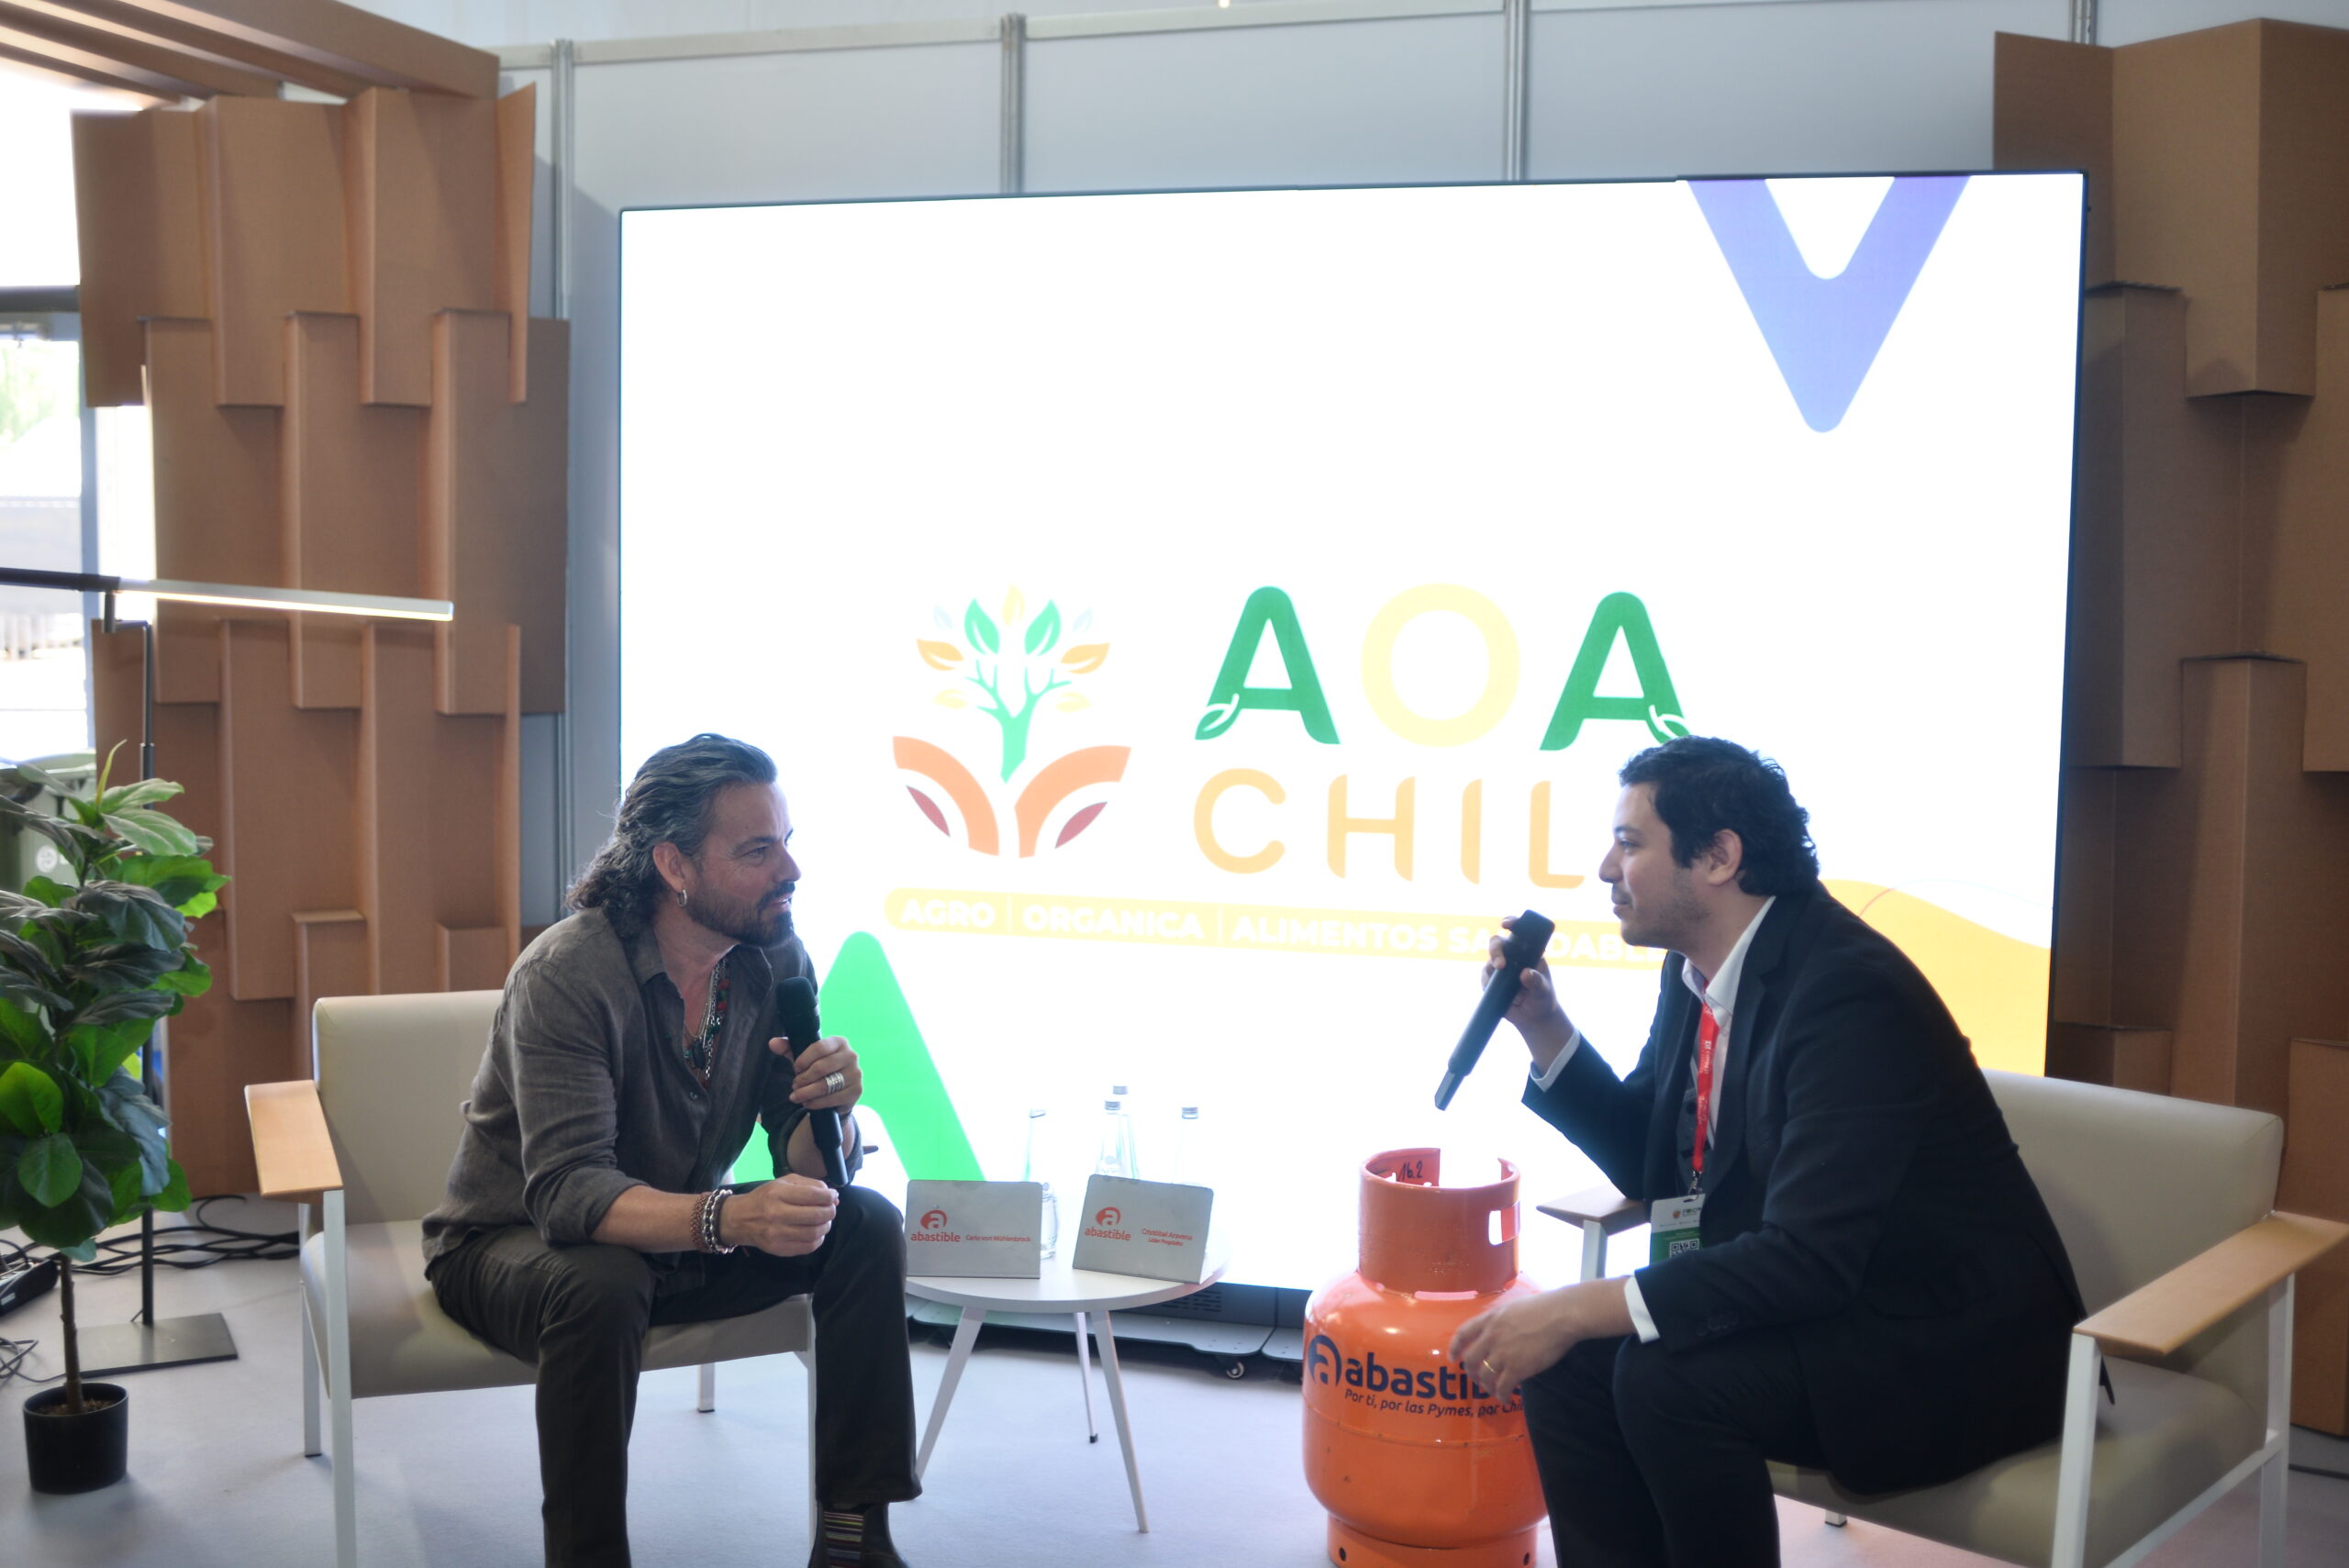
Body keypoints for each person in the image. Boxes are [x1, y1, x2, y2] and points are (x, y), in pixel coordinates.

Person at [1451, 736, 2083, 1568]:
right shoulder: (1698, 967)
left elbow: (1808, 1259)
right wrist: (1543, 1027)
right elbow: (1652, 1165)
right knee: (1572, 1366)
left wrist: (1575, 1305)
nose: (1605, 868)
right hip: (1829, 1305)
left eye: (1630, 843)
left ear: (1719, 857)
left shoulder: (1849, 993)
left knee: (1662, 1380)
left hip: (1945, 1345)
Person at [422, 734, 920, 1568]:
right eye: (757, 852)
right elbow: (570, 1193)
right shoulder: (568, 973)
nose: (790, 870)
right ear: (673, 864)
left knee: (863, 1223)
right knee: (601, 1279)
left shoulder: (775, 957)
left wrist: (827, 1108)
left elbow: (798, 1159)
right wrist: (731, 1218)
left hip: (675, 1239)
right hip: (512, 1246)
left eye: (787, 842)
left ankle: (852, 1537)